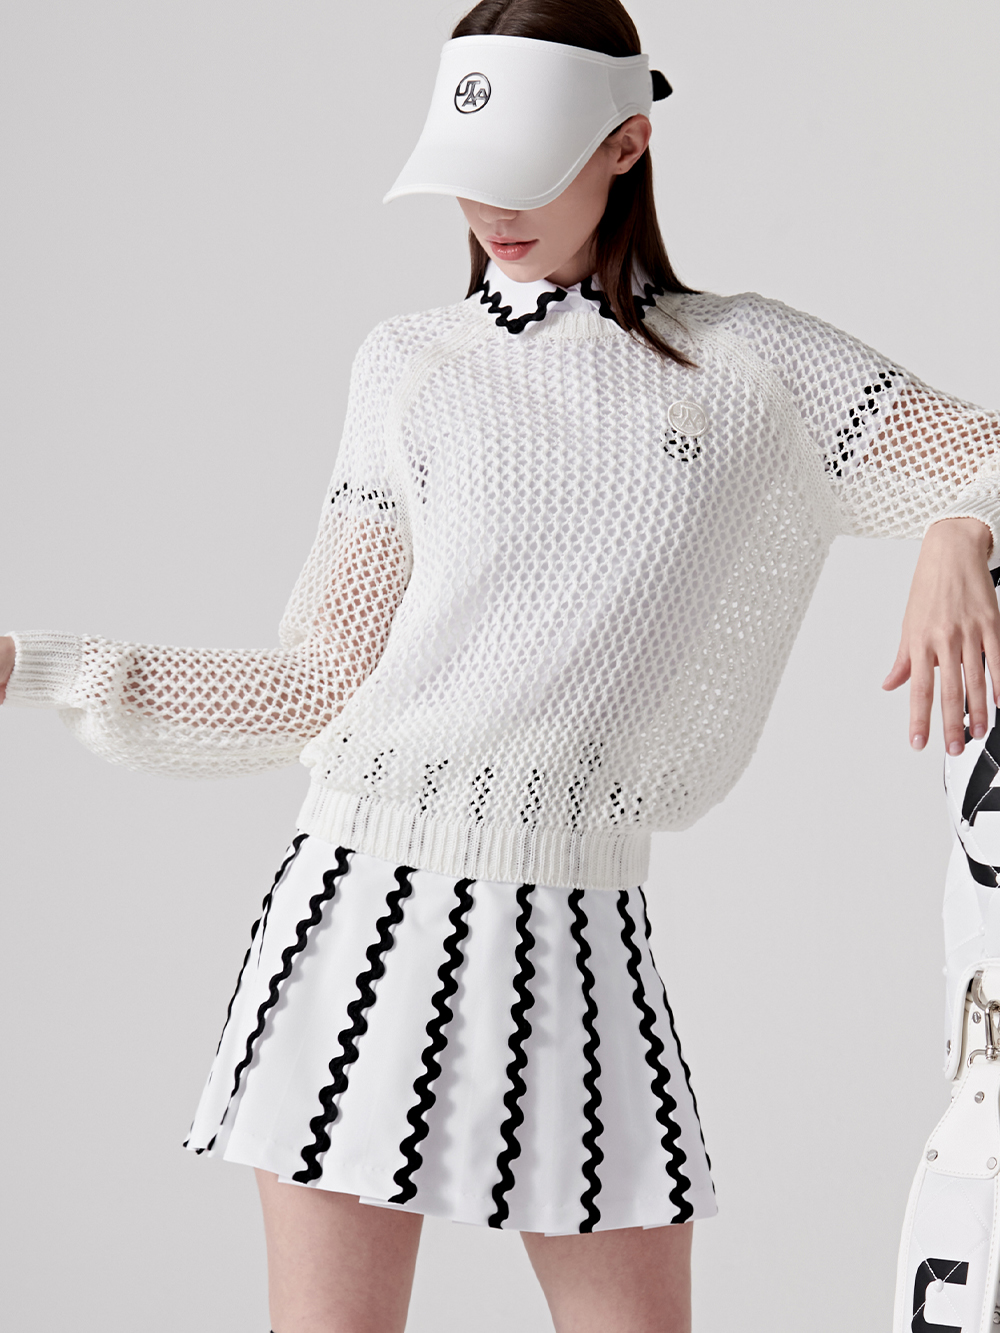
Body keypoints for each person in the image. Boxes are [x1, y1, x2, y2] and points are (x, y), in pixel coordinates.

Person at [3, 2, 1000, 1331]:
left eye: (529, 166)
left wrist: (957, 527)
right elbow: (314, 682)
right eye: (467, 170)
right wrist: (33, 666)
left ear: (629, 142)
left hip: (580, 932)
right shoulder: (409, 367)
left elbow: (986, 451)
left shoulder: (752, 360)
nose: (492, 207)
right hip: (362, 919)